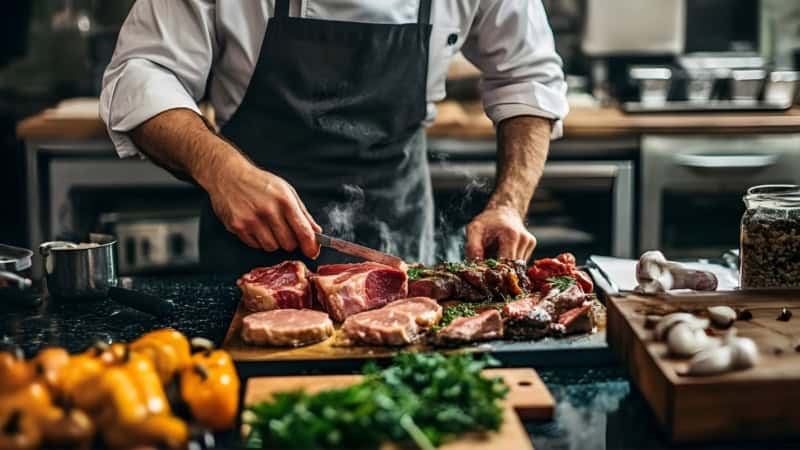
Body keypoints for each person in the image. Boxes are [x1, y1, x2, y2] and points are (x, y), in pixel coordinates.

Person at [100, 0, 568, 273]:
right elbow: (143, 72)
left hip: (398, 238)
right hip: (249, 246)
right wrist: (221, 171)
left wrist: (509, 203)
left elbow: (526, 75)